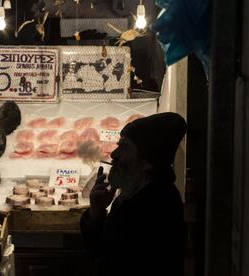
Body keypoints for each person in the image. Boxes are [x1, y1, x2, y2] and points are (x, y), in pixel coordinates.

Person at [80, 112, 187, 276]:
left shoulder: (158, 206)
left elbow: (114, 259)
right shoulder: (131, 194)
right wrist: (96, 211)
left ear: (147, 163)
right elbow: (101, 251)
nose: (113, 154)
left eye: (124, 147)